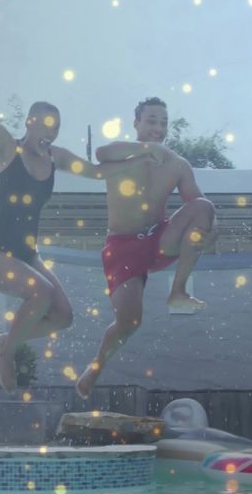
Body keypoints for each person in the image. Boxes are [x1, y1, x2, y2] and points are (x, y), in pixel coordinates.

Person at [0, 66, 149, 390]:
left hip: (26, 255)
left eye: (57, 128)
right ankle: (6, 353)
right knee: (41, 293)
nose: (51, 133)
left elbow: (96, 171)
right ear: (30, 123)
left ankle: (5, 338)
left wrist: (141, 159)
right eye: (46, 125)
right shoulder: (7, 148)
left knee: (63, 316)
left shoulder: (55, 157)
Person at [75, 97, 217, 398]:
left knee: (204, 207)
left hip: (159, 238)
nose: (158, 128)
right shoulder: (122, 156)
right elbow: (101, 152)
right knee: (130, 321)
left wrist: (209, 235)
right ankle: (97, 366)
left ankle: (178, 291)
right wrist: (146, 149)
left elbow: (201, 208)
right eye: (151, 121)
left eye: (163, 123)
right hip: (122, 246)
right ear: (136, 123)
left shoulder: (178, 165)